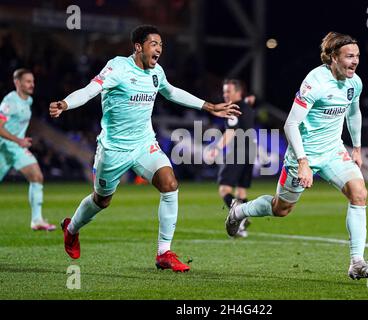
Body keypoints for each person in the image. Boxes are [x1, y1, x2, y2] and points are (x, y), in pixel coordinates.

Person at [49, 25, 240, 272]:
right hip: (114, 149)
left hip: (143, 144)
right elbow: (89, 90)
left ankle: (164, 253)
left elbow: (171, 92)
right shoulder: (117, 67)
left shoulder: (156, 72)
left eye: (161, 45)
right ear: (138, 47)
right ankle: (71, 228)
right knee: (101, 201)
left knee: (170, 183)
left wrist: (209, 106)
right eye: (154, 44)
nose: (159, 49)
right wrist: (65, 103)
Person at [225, 32, 368, 280]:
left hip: (333, 151)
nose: (355, 61)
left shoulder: (355, 83)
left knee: (359, 193)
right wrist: (303, 162)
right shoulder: (315, 83)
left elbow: (353, 113)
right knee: (281, 209)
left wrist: (358, 148)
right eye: (349, 56)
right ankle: (239, 211)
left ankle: (357, 262)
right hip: (304, 154)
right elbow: (290, 125)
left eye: (357, 56)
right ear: (332, 57)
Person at [0, 69, 56, 231]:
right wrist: (18, 139)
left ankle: (37, 220)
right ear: (17, 83)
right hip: (4, 147)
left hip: (16, 148)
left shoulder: (28, 101)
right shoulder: (9, 102)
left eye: (32, 81)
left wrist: (20, 140)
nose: (32, 84)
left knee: (37, 176)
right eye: (28, 81)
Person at [209, 79, 256, 238]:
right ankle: (243, 222)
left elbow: (231, 132)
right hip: (251, 150)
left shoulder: (234, 109)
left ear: (238, 92)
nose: (225, 94)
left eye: (228, 91)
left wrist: (216, 148)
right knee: (241, 192)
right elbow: (250, 101)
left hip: (238, 151)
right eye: (224, 91)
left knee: (224, 189)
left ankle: (238, 217)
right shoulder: (245, 106)